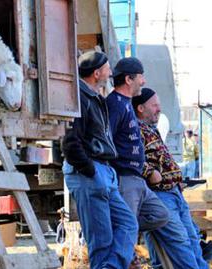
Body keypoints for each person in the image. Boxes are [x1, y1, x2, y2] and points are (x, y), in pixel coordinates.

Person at [132, 88, 212, 269]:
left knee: (191, 240)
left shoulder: (150, 130)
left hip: (173, 192)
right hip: (159, 194)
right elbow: (131, 158)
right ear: (140, 108)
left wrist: (174, 179)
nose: (158, 109)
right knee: (181, 245)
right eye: (154, 105)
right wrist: (150, 173)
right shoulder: (135, 129)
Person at [62, 51, 138, 269]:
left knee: (128, 223)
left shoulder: (92, 97)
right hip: (90, 173)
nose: (111, 72)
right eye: (107, 67)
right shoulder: (79, 98)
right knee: (101, 241)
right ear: (97, 73)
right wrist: (91, 171)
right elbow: (69, 142)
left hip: (102, 172)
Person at [106, 57, 169, 235]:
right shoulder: (115, 104)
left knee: (160, 215)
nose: (144, 81)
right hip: (125, 178)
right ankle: (121, 248)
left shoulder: (125, 104)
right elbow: (107, 140)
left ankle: (121, 228)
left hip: (137, 177)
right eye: (141, 76)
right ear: (128, 79)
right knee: (127, 230)